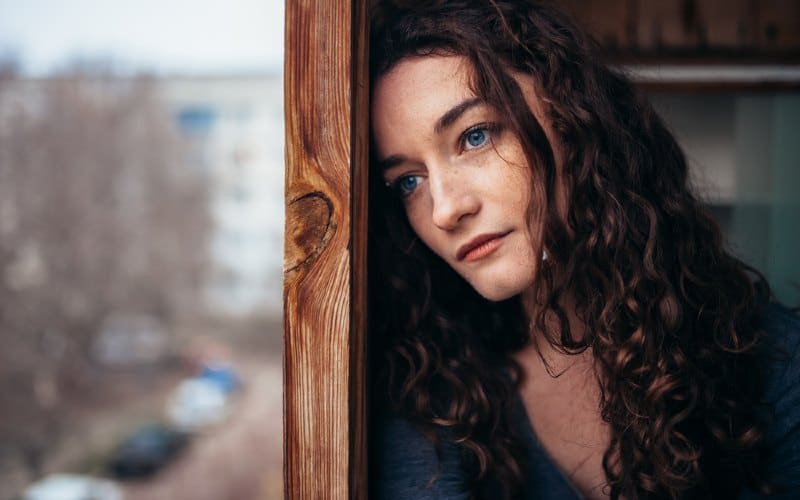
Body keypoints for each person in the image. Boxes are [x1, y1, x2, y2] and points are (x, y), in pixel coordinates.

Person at [367, 1, 800, 499]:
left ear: (572, 120)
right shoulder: (434, 389)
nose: (444, 210)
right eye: (408, 181)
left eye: (475, 135)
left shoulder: (771, 365)